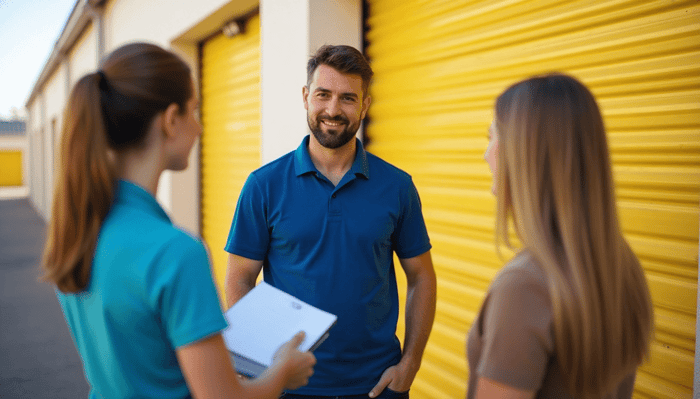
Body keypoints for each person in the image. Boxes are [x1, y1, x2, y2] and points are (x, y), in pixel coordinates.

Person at [41, 42, 315, 399]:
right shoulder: (176, 253)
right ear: (171, 120)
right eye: (194, 111)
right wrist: (283, 371)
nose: (200, 128)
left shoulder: (78, 232)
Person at [224, 44, 437, 399]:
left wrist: (411, 363)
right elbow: (240, 277)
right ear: (306, 97)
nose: (333, 110)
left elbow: (421, 276)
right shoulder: (263, 185)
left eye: (348, 98)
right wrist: (260, 361)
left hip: (377, 386)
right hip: (290, 387)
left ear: (365, 105)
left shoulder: (397, 186)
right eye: (323, 95)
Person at [467, 74, 654, 398]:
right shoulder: (622, 263)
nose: (486, 154)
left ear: (523, 152)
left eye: (492, 137)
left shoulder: (524, 286)